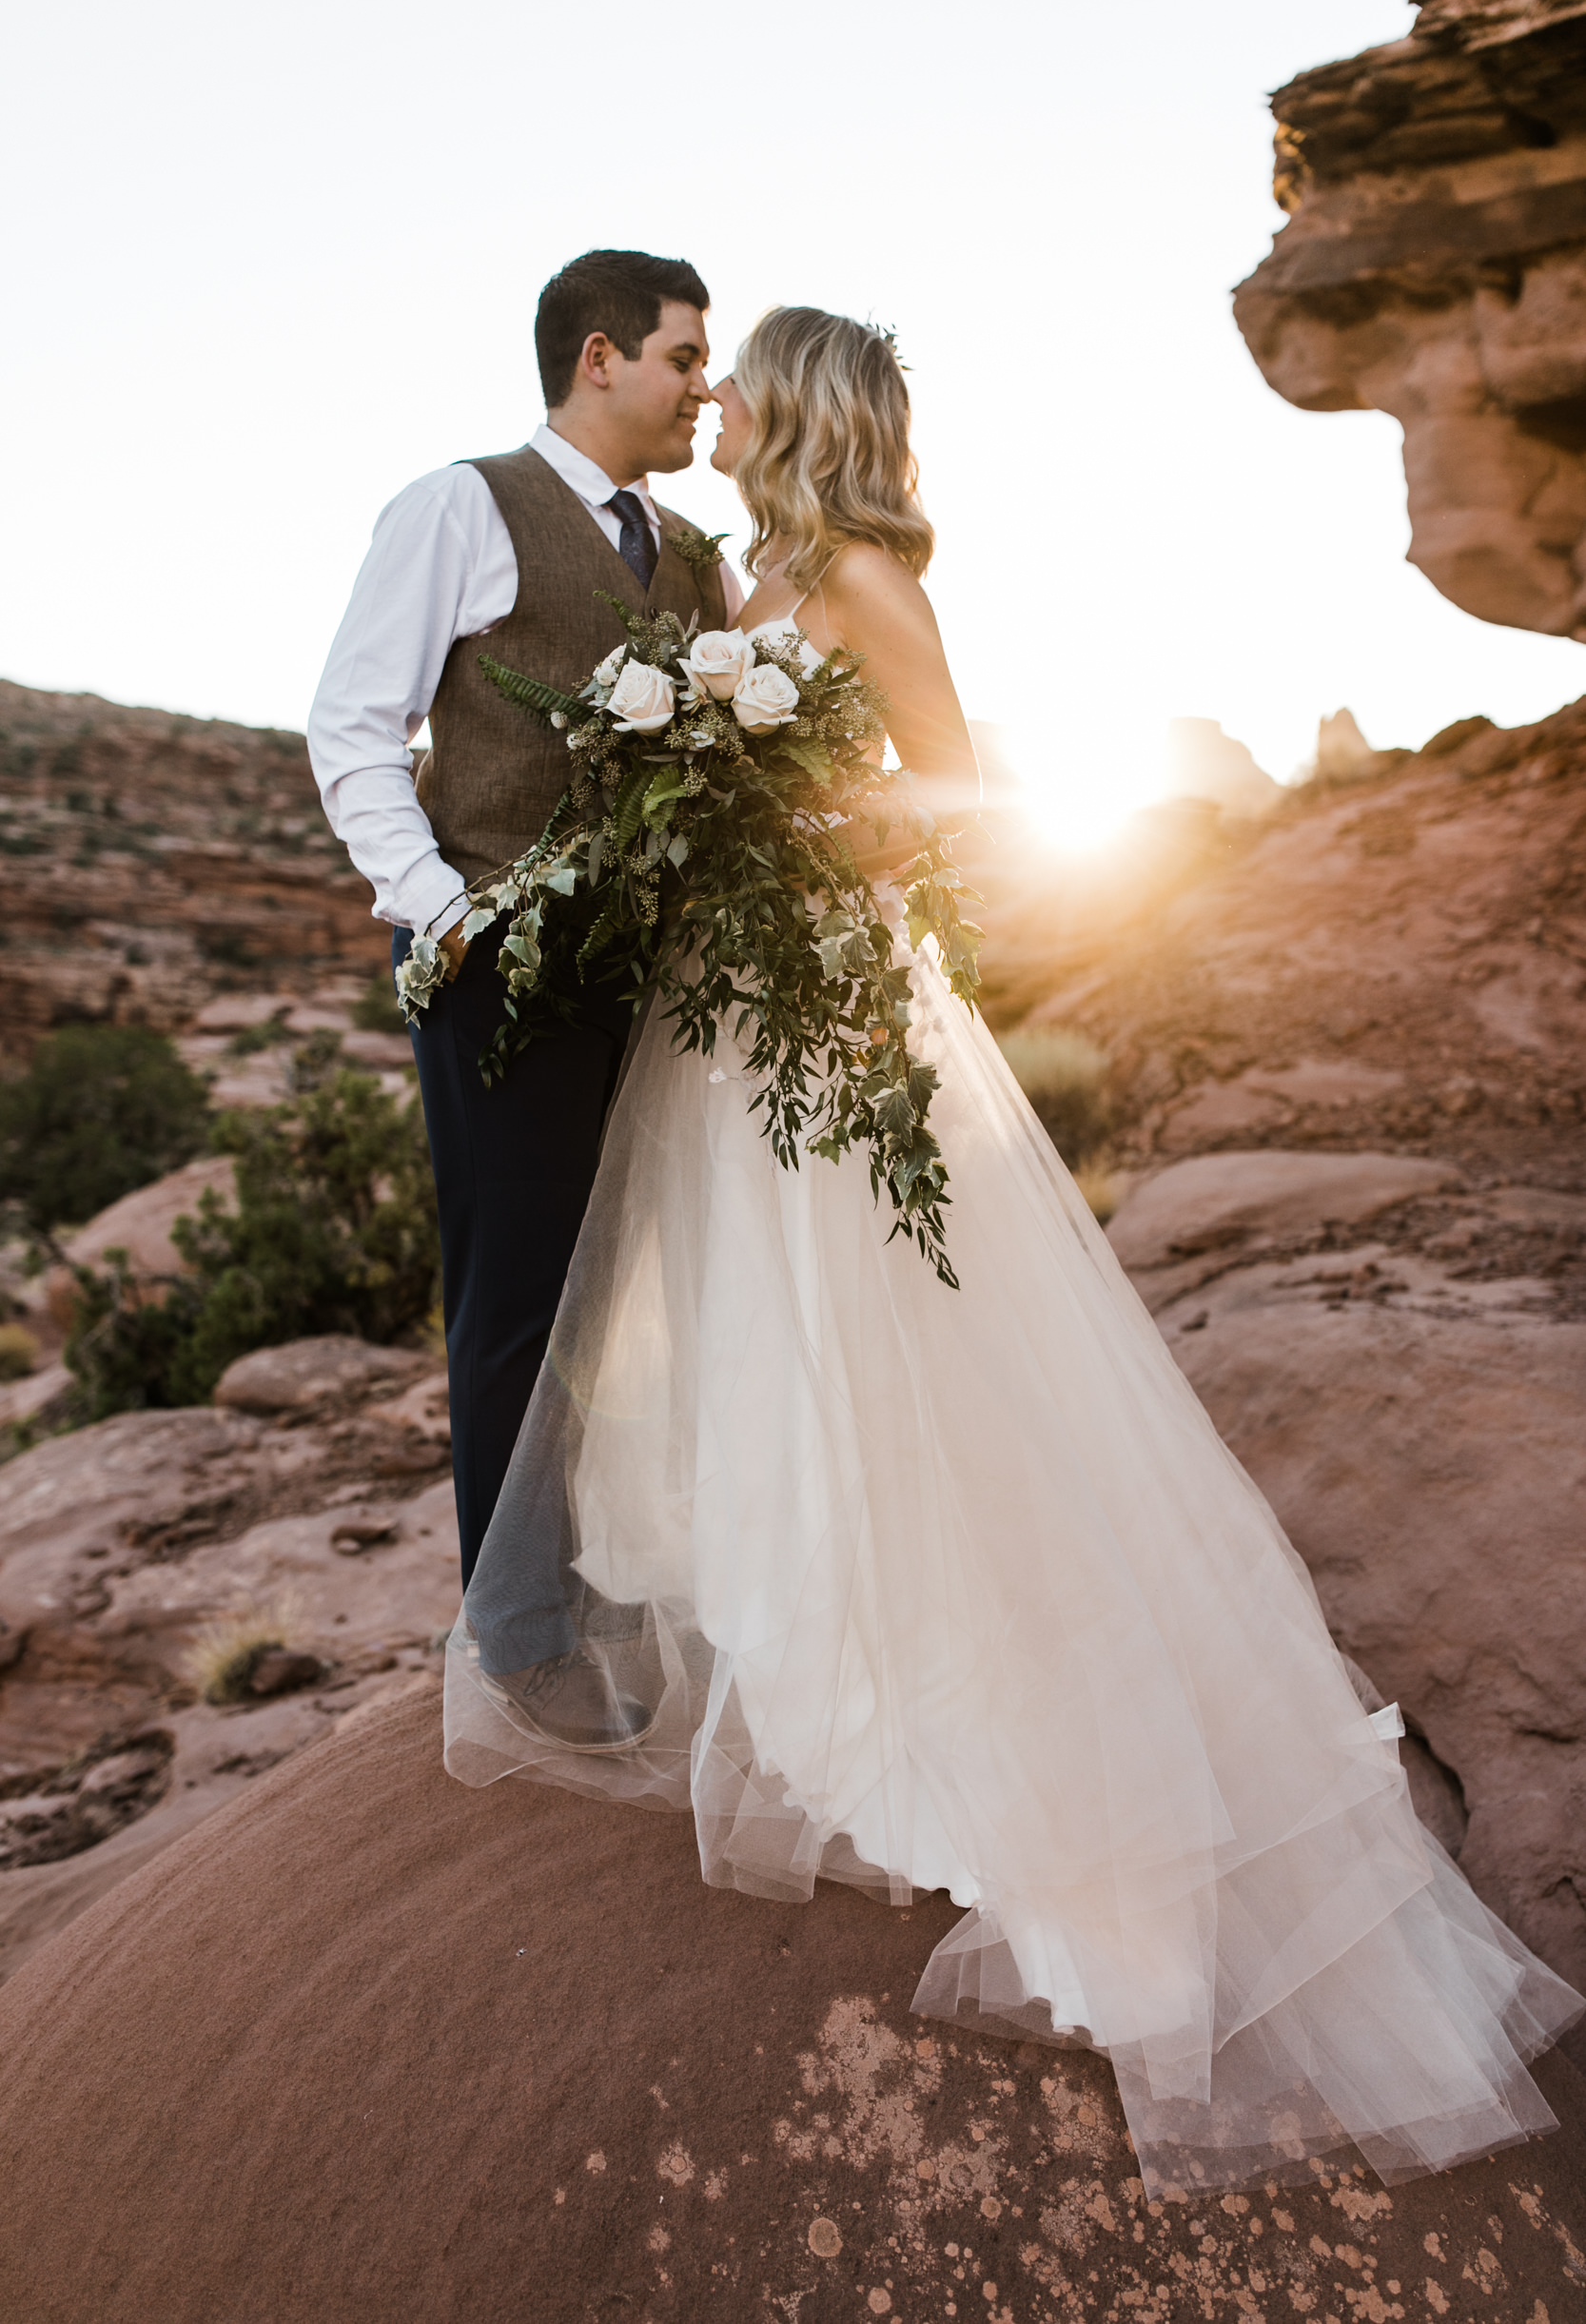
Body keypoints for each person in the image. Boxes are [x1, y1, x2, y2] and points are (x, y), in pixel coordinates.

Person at [442, 307, 1582, 2197]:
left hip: (829, 994)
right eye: (692, 375)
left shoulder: (872, 577)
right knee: (759, 1339)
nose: (712, 403)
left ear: (807, 409)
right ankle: (811, 1668)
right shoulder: (765, 568)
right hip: (728, 1007)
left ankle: (984, 1738)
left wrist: (779, 822)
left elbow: (959, 794)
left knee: (882, 1335)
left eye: (741, 381)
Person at [306, 251, 742, 1731]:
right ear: (603, 356)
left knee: (618, 1287)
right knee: (518, 1301)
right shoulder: (462, 505)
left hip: (652, 977)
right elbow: (352, 727)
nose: (705, 385)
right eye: (687, 357)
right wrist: (453, 915)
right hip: (500, 969)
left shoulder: (692, 551)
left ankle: (571, 1566)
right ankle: (523, 1633)